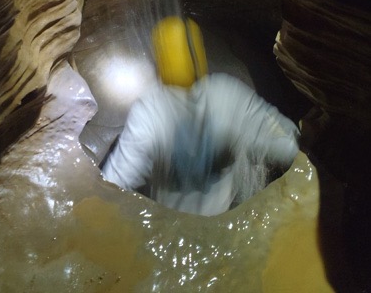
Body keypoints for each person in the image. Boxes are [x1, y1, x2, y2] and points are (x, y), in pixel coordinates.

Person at [101, 16, 300, 216]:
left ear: (160, 60)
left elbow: (116, 182)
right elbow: (288, 146)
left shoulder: (149, 112)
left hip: (170, 228)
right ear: (199, 54)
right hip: (225, 220)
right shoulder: (229, 95)